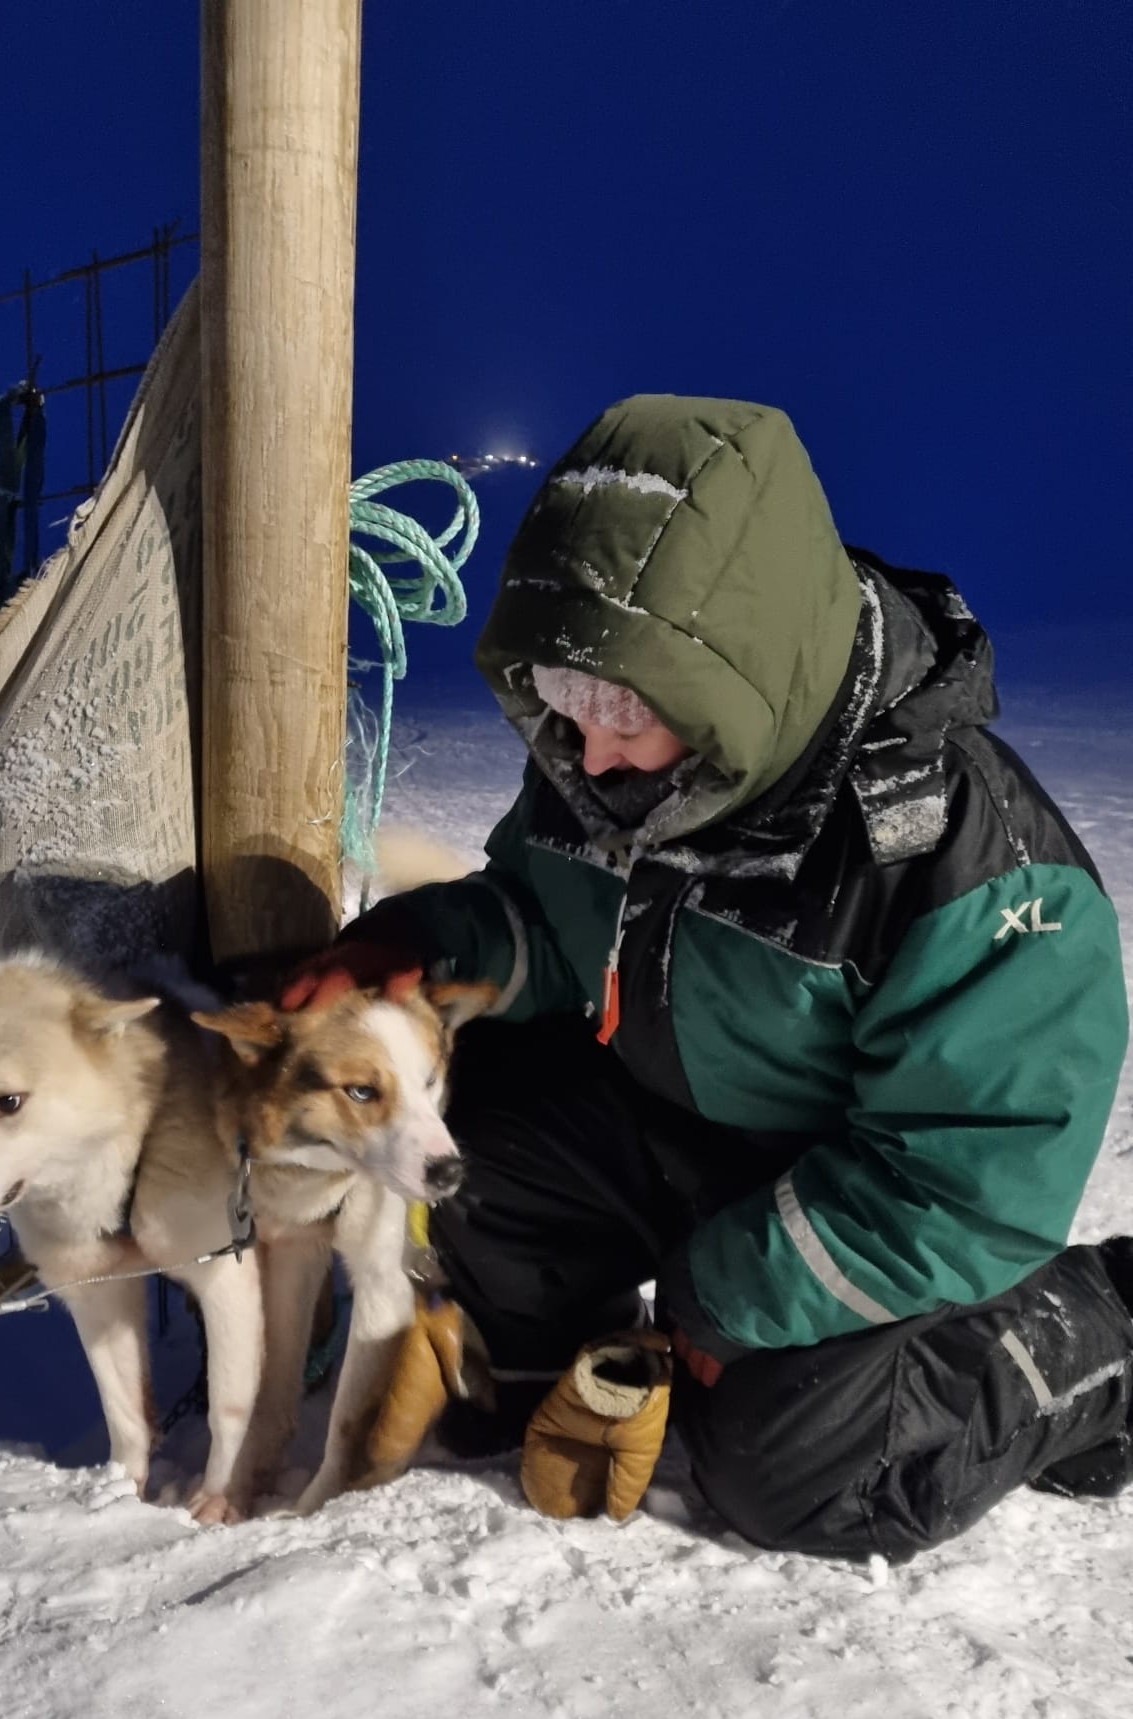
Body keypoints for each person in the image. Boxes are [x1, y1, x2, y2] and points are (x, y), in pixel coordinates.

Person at [288, 395, 1133, 1563]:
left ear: (744, 675)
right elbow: (541, 918)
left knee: (805, 1469)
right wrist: (418, 955)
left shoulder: (967, 870)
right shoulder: (617, 772)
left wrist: (721, 1298)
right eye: (566, 702)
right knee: (462, 1113)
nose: (588, 751)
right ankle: (543, 1346)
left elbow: (959, 1182)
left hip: (860, 1192)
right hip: (671, 1120)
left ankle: (1099, 1330)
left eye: (623, 710)